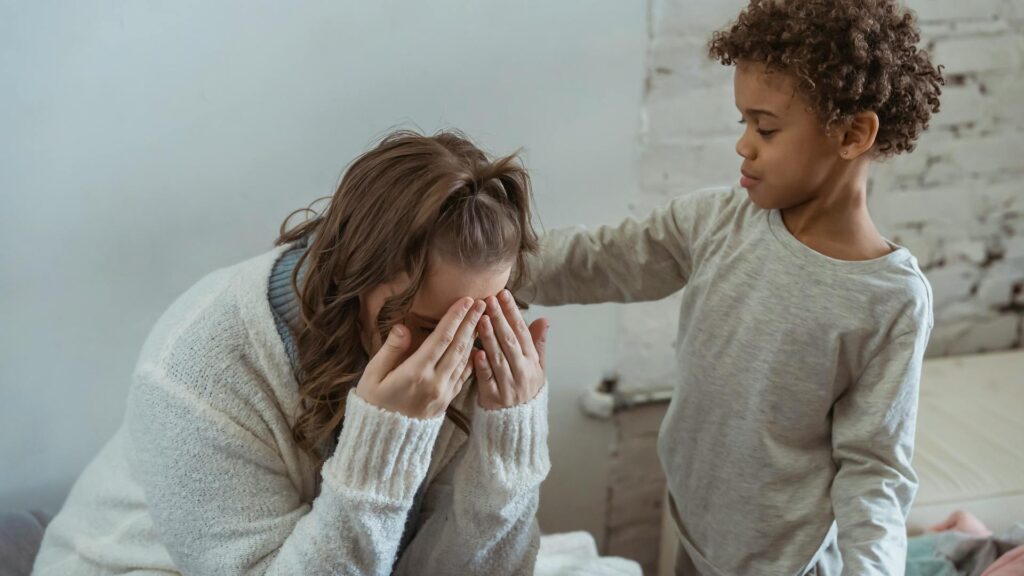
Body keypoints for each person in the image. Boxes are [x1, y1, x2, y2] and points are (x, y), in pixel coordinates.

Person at [515, 1, 943, 573]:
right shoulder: (717, 221)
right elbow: (602, 258)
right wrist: (494, 265)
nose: (744, 145)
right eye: (742, 122)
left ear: (852, 133)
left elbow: (875, 466)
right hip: (695, 529)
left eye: (765, 128)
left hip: (786, 563)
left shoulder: (888, 297)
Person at [33, 130, 552, 575]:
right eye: (425, 326)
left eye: (480, 322)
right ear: (353, 276)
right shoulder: (196, 366)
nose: (455, 354)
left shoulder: (471, 354)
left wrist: (506, 447)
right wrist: (382, 448)